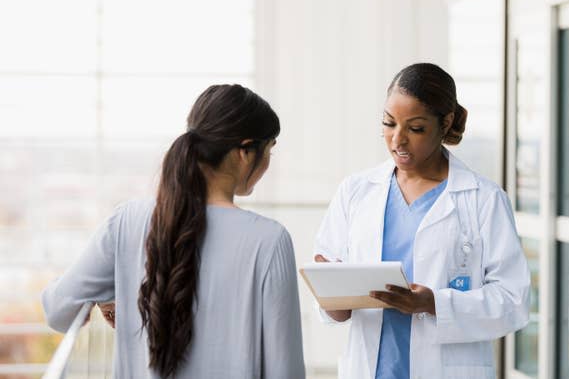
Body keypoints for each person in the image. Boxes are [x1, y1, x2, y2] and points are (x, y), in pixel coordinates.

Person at [42, 84, 305, 379]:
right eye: (269, 150)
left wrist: (107, 294)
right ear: (244, 151)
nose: (268, 161)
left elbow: (58, 309)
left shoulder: (127, 220)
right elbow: (286, 370)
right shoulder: (269, 241)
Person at [313, 63, 530, 379]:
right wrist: (333, 301)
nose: (397, 140)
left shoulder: (482, 198)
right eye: (389, 124)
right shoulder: (356, 191)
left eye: (415, 129)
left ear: (446, 123)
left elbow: (514, 300)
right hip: (370, 367)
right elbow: (333, 292)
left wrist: (434, 304)